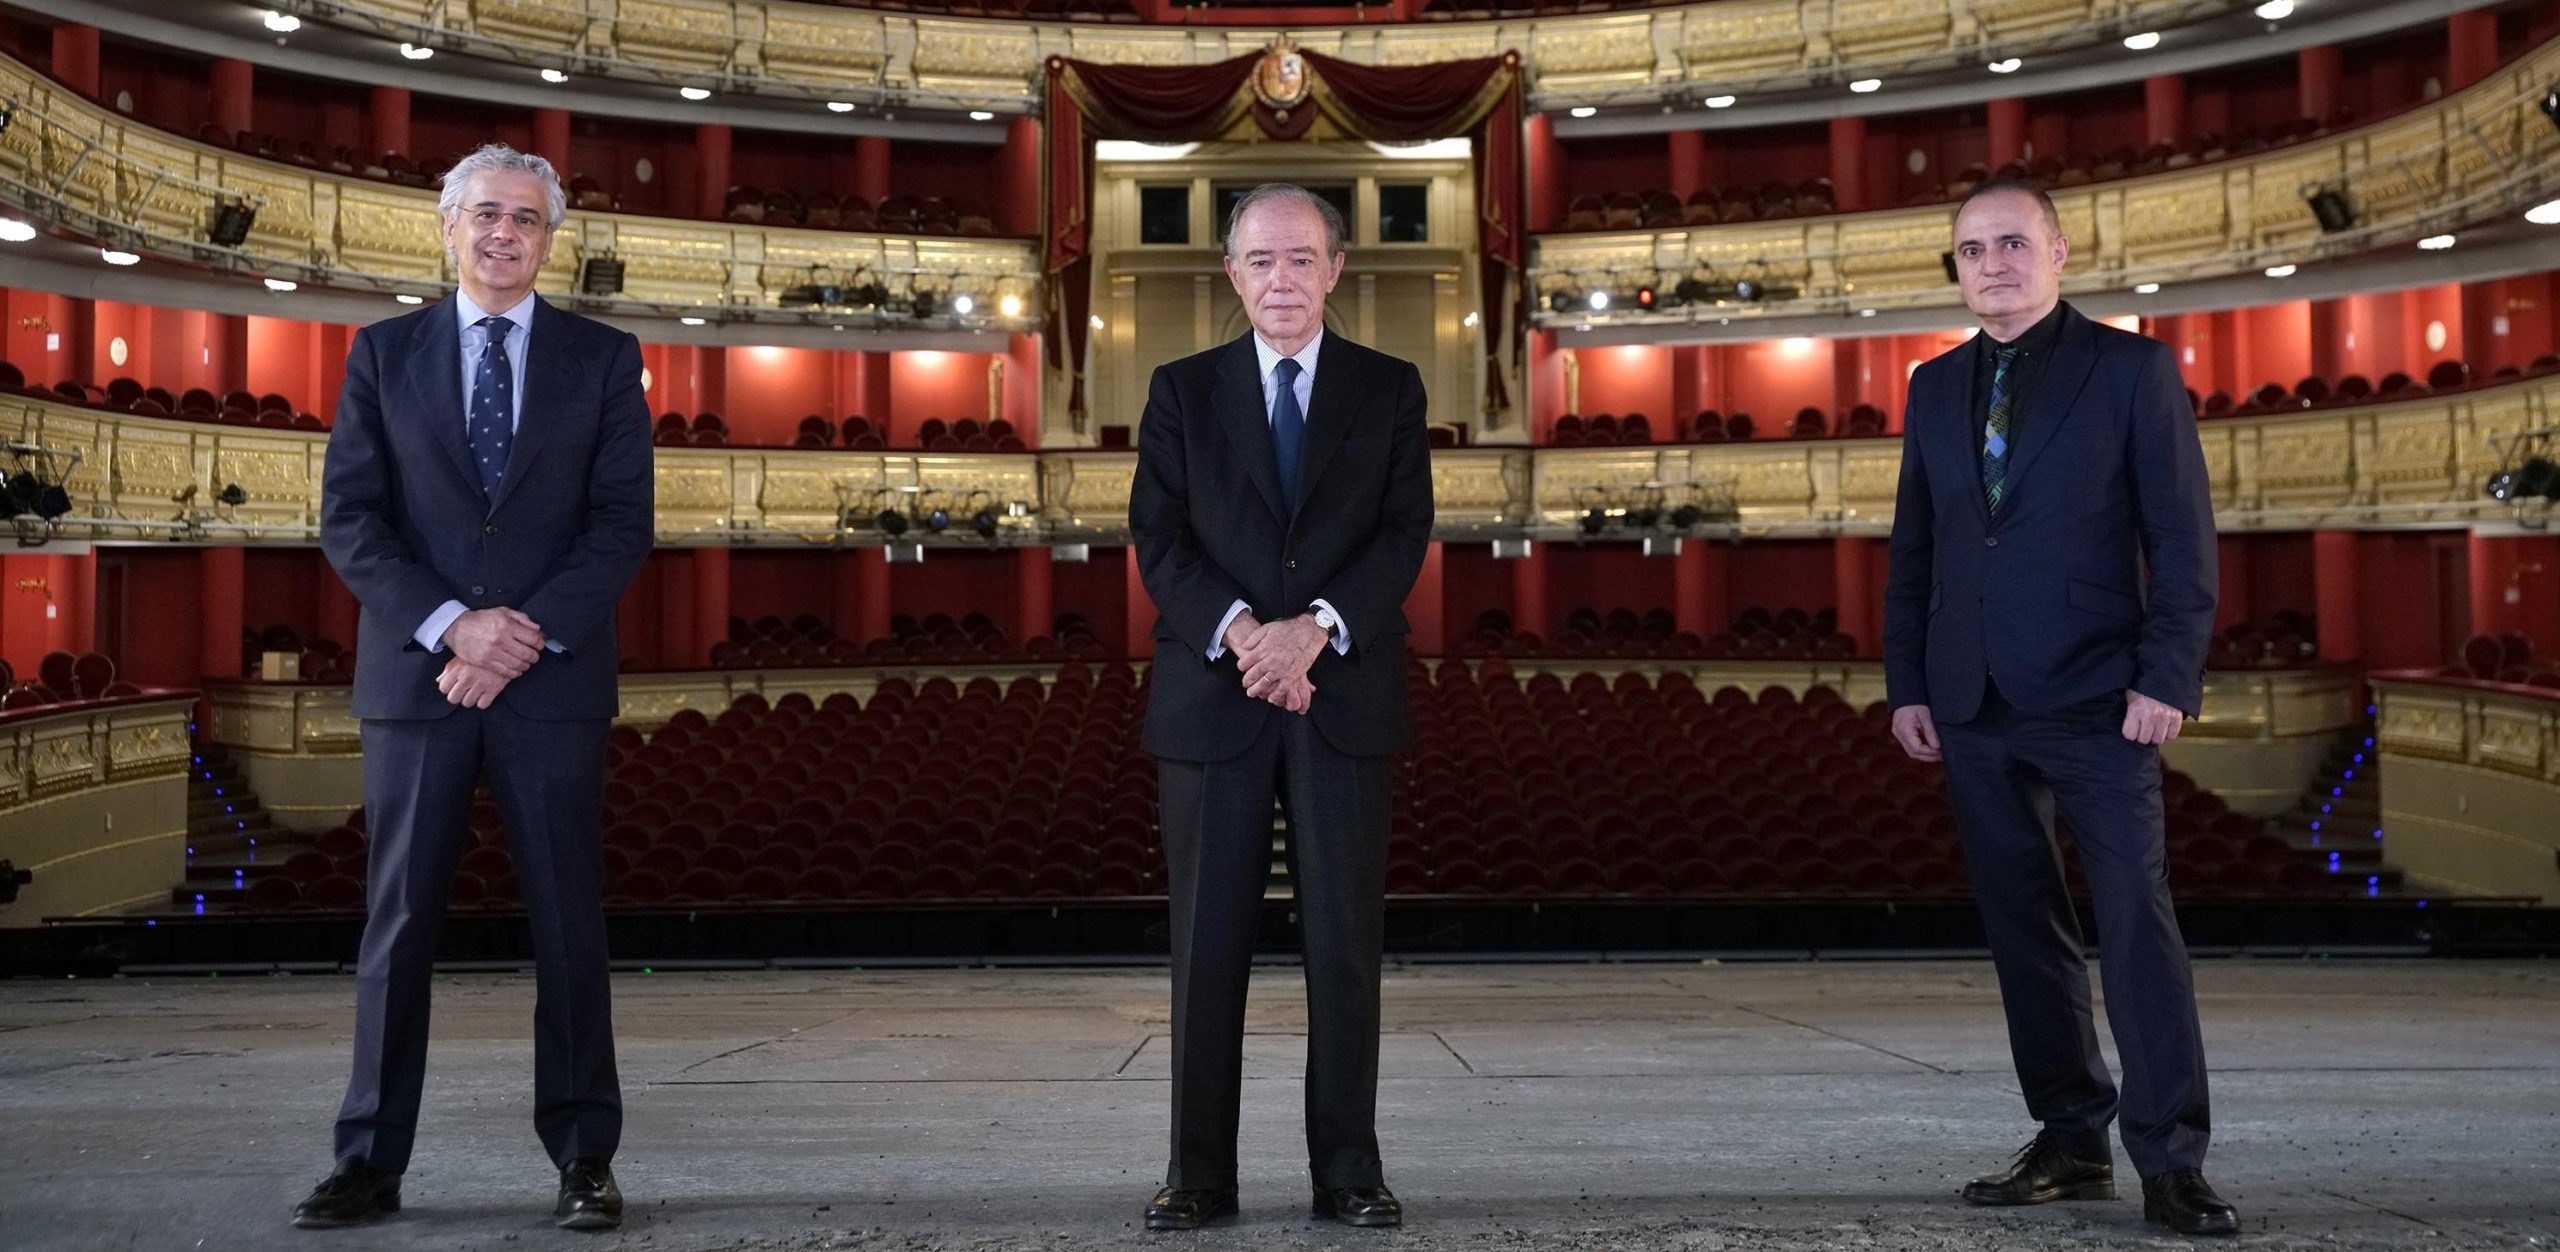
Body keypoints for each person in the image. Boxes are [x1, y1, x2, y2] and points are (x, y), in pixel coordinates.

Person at [294, 144, 655, 1232]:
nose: (505, 234)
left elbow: (618, 527)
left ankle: (585, 1158)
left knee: (567, 924)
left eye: (528, 220)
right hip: (419, 682)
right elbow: (351, 519)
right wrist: (459, 625)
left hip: (548, 683)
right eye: (486, 214)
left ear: (551, 240)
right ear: (446, 228)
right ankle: (368, 1160)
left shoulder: (602, 357)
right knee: (397, 926)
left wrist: (516, 635)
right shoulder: (380, 353)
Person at [1880, 177, 2236, 1237]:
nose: (1991, 263)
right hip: (1972, 695)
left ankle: (2170, 1156)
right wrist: (1908, 680)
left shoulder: (2130, 369)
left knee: (2135, 923)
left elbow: (2180, 538)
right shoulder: (1933, 387)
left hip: (2097, 696)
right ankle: (2071, 1139)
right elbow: (1917, 548)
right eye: (1971, 248)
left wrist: (2167, 675)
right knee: (2023, 930)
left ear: (2059, 252)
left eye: (2010, 243)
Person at [1126, 183, 1433, 1230]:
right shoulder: (1178, 389)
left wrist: (1313, 629)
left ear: (1336, 269)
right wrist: (1250, 635)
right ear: (1231, 273)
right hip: (1214, 695)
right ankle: (1197, 1174)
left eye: (1301, 258)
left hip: (1340, 691)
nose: (1282, 279)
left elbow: (1401, 537)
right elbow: (1159, 540)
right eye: (1261, 260)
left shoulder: (1390, 388)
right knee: (1204, 949)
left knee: (1343, 948)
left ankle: (1348, 1169)